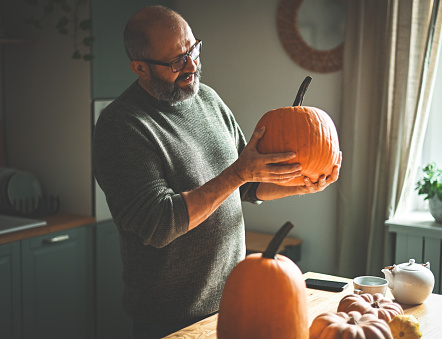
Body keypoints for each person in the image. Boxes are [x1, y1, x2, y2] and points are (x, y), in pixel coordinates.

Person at [92, 5, 340, 339]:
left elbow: (248, 184)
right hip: (170, 319)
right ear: (140, 68)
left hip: (235, 301)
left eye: (193, 49)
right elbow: (159, 223)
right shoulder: (122, 126)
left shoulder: (208, 100)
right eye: (177, 60)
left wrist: (301, 184)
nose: (192, 65)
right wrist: (238, 174)